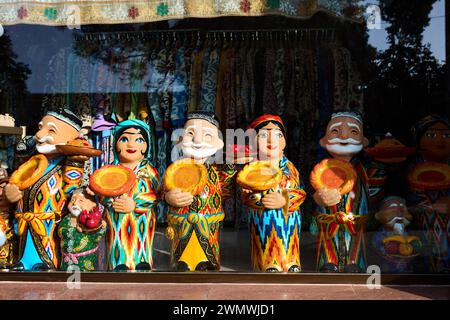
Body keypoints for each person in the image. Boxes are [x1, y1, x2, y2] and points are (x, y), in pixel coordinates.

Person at [4, 108, 86, 271]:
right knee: (24, 242)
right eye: (40, 128)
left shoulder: (66, 165)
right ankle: (23, 260)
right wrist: (10, 193)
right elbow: (17, 181)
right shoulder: (32, 161)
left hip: (48, 223)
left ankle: (45, 261)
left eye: (51, 130)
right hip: (24, 221)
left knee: (45, 243)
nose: (39, 135)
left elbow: (71, 189)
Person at [164, 111, 236, 271]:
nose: (197, 140)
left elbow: (225, 191)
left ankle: (206, 261)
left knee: (206, 257)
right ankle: (181, 261)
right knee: (182, 258)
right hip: (182, 224)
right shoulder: (175, 170)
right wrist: (168, 197)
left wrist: (230, 167)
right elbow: (162, 190)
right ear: (180, 140)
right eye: (191, 133)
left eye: (207, 135)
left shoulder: (216, 172)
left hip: (207, 224)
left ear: (217, 143)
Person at [242, 115, 306, 272]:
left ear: (284, 141)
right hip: (262, 218)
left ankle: (291, 262)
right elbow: (245, 195)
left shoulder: (290, 168)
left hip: (289, 218)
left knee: (289, 240)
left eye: (278, 135)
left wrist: (285, 200)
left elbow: (301, 192)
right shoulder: (252, 168)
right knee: (264, 240)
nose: (272, 140)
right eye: (264, 135)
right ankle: (267, 264)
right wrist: (260, 200)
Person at [312, 111, 370, 273]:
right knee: (328, 239)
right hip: (330, 221)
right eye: (336, 131)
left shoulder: (364, 171)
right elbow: (315, 194)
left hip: (354, 220)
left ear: (364, 141)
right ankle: (329, 261)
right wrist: (319, 198)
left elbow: (370, 195)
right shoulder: (322, 170)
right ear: (323, 141)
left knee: (355, 240)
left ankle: (354, 262)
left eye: (353, 132)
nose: (344, 137)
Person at [100, 119, 161, 271]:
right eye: (124, 139)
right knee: (117, 241)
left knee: (142, 242)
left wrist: (136, 204)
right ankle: (118, 263)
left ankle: (142, 261)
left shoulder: (149, 170)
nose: (131, 145)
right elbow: (102, 194)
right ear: (116, 145)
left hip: (142, 219)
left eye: (139, 139)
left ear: (146, 146)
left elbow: (158, 194)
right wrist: (112, 201)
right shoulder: (110, 170)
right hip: (116, 219)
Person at [407, 114, 450, 273]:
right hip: (424, 219)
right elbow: (408, 200)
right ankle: (434, 265)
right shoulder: (412, 168)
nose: (441, 140)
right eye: (432, 135)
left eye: (446, 135)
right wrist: (426, 207)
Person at [58, 188, 106, 271]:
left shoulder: (93, 220)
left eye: (81, 201)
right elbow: (61, 231)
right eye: (72, 200)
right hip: (66, 262)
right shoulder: (67, 218)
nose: (75, 203)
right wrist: (69, 230)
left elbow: (97, 236)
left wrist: (90, 229)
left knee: (84, 279)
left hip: (86, 263)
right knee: (68, 280)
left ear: (93, 205)